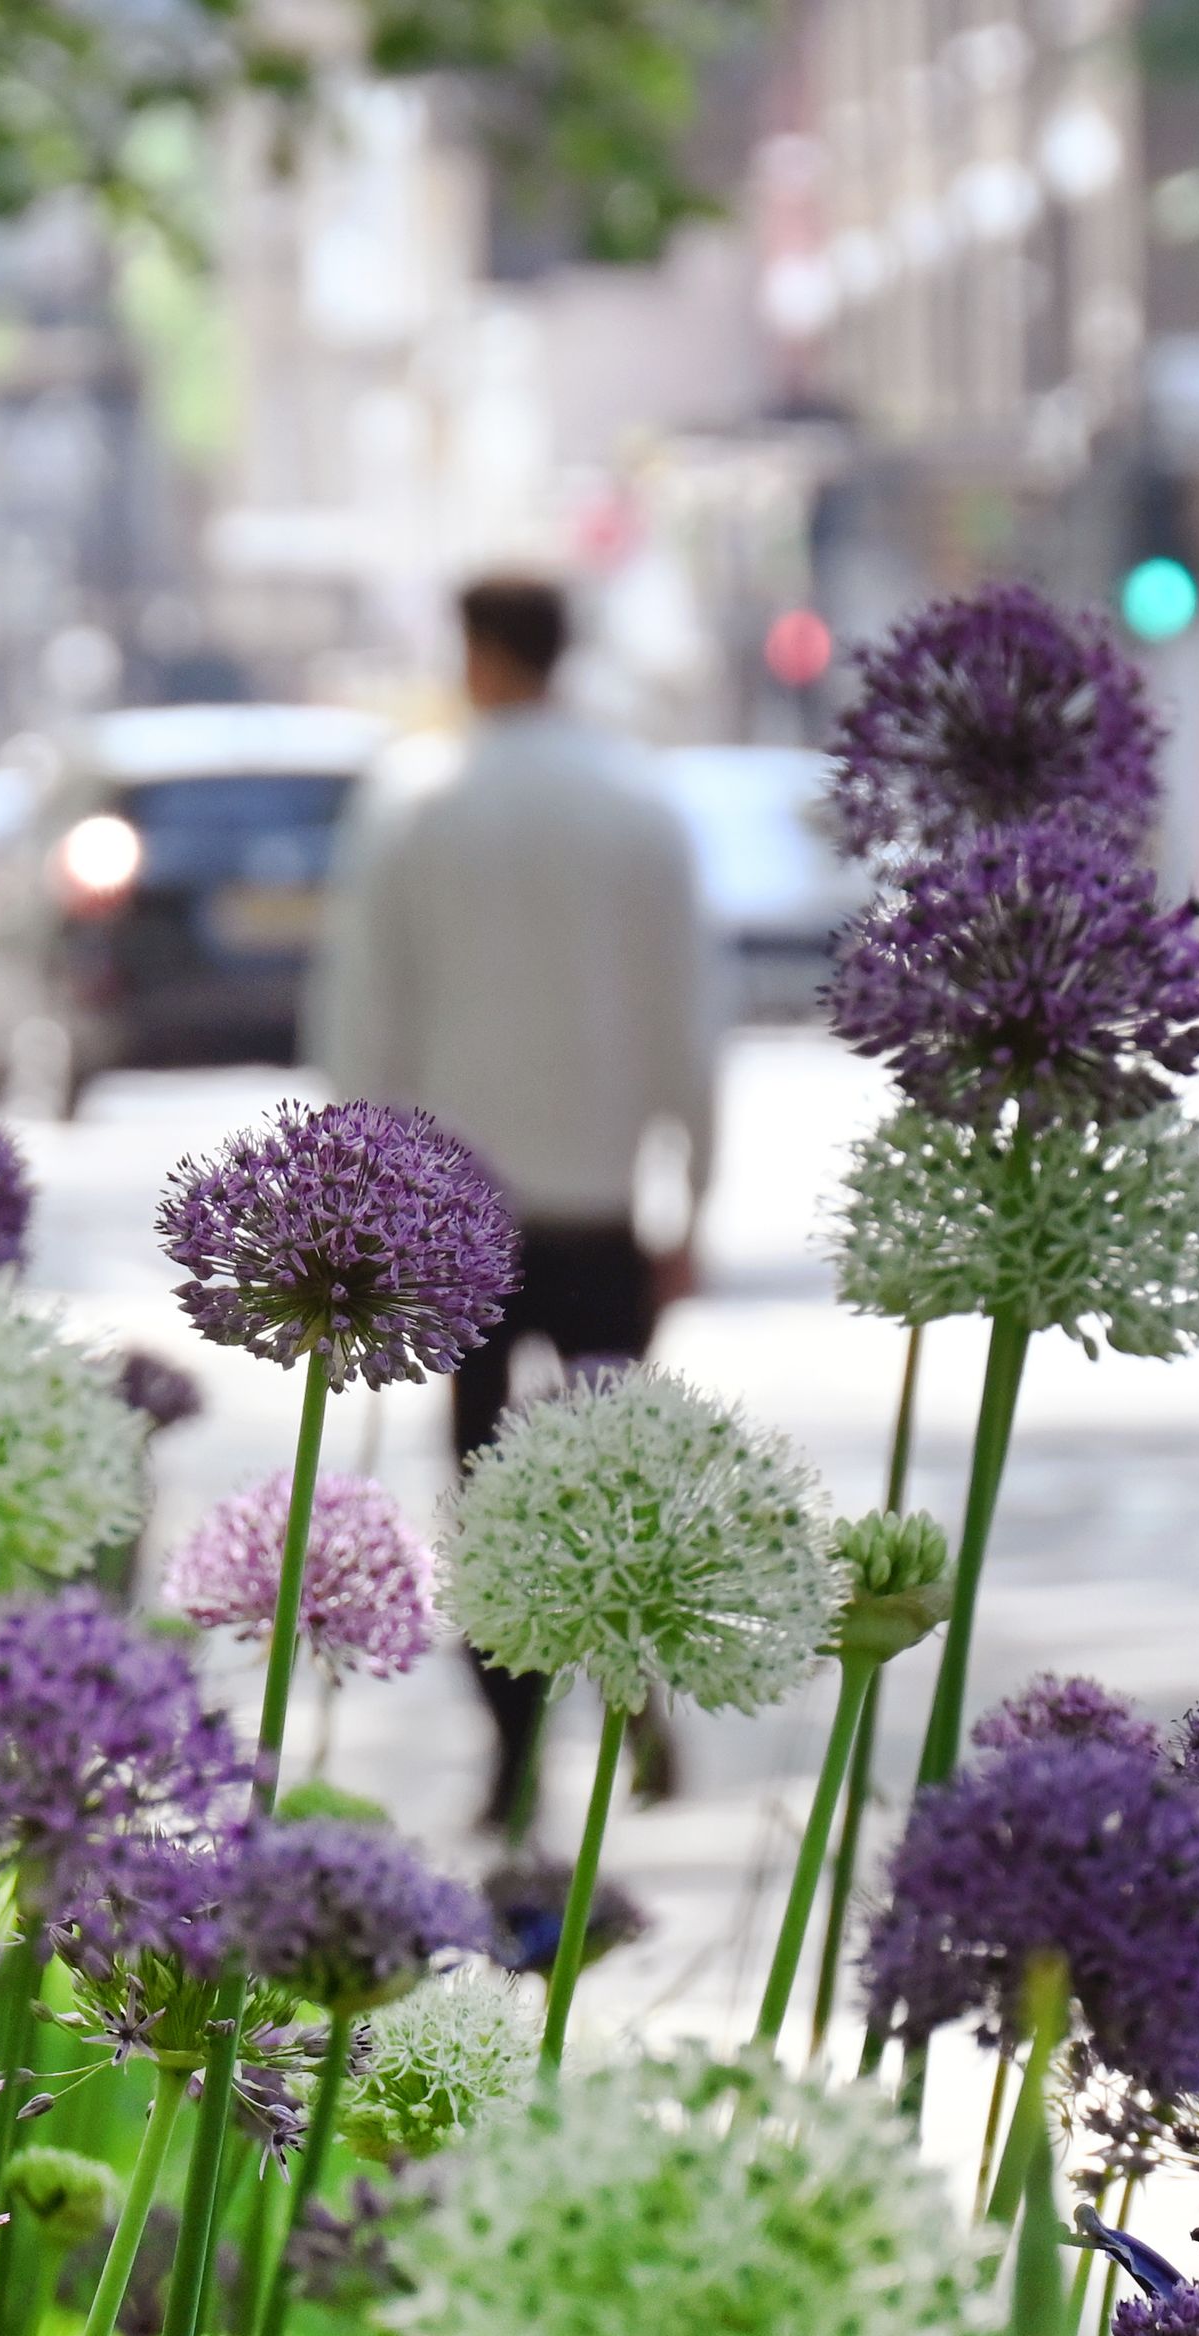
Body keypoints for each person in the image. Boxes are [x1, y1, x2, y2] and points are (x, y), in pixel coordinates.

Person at [309, 576, 721, 1837]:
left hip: (461, 1213)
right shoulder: (639, 806)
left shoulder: (414, 801)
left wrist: (351, 1202)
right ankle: (625, 1660)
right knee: (608, 1477)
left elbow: (361, 1017)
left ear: (475, 653)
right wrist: (689, 1196)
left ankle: (510, 1749)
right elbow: (686, 1020)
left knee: (484, 1494)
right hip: (602, 1201)